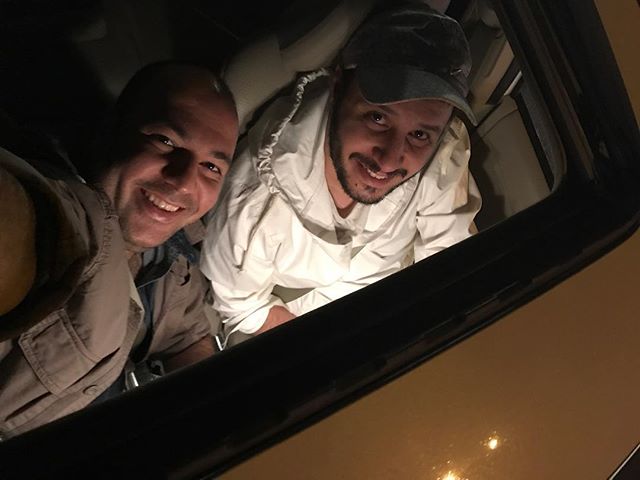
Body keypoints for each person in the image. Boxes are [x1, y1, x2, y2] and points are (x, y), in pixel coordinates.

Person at [200, 2, 482, 347]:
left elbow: (448, 263)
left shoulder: (442, 152)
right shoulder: (253, 197)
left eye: (419, 134)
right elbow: (243, 305)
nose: (390, 159)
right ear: (336, 87)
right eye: (378, 118)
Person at [0, 61, 239, 438]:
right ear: (110, 130)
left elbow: (187, 330)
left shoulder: (172, 241)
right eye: (165, 141)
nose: (183, 181)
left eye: (211, 166)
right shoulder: (51, 214)